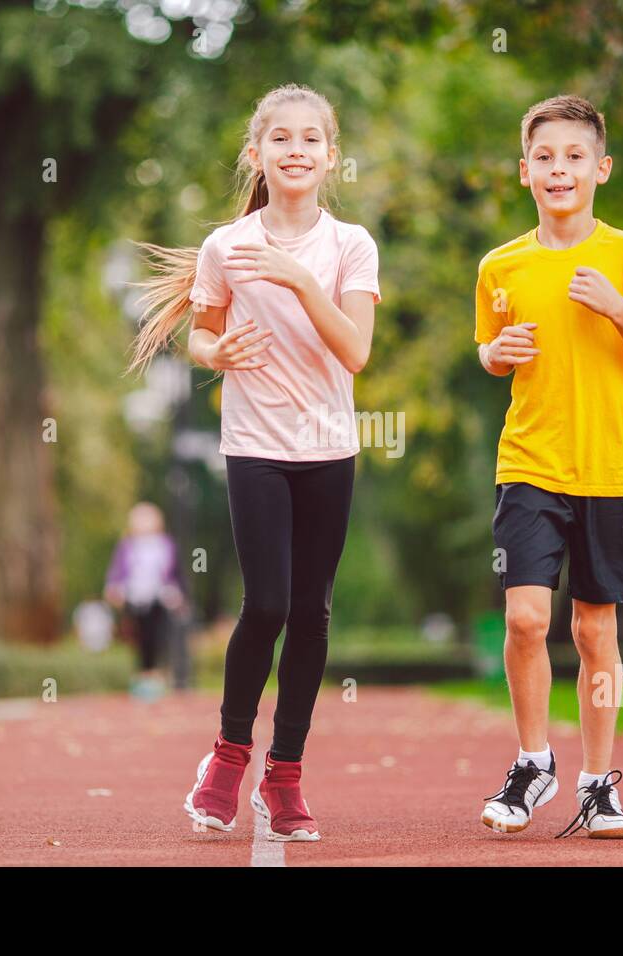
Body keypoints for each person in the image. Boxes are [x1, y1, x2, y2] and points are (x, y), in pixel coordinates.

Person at [128, 84, 379, 842]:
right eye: (281, 139)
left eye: (311, 139)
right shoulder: (224, 247)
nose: (296, 150)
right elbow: (201, 336)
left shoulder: (350, 245)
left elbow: (357, 351)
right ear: (256, 153)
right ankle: (228, 759)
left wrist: (302, 279)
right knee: (266, 603)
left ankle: (286, 774)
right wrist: (218, 350)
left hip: (329, 450)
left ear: (330, 157)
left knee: (313, 613)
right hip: (256, 449)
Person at [474, 95, 623, 839]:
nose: (558, 169)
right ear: (523, 171)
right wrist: (491, 354)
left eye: (573, 157)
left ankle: (598, 785)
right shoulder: (500, 264)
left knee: (596, 631)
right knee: (527, 617)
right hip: (529, 461)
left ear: (602, 168)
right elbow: (492, 350)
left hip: (610, 470)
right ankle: (534, 763)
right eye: (544, 157)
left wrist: (622, 311)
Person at [103, 502, 183, 699]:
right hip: (133, 598)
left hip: (159, 598)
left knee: (157, 638)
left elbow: (174, 573)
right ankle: (141, 678)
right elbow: (118, 570)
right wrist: (113, 587)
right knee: (138, 638)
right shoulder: (127, 545)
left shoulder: (166, 544)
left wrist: (178, 594)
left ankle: (155, 678)